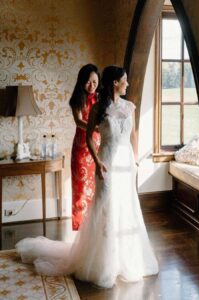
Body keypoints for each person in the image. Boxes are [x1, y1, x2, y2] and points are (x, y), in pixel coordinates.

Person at [15, 66, 159, 289]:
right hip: (107, 161)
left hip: (126, 164)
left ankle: (126, 258)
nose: (127, 84)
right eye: (125, 81)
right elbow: (90, 137)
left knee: (126, 207)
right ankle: (101, 262)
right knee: (103, 206)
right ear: (115, 83)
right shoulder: (98, 109)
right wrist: (98, 161)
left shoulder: (129, 107)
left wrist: (136, 159)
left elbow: (133, 135)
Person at [69, 64, 100, 230]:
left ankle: (94, 229)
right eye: (88, 82)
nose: (92, 86)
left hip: (99, 148)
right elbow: (78, 121)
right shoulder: (76, 99)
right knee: (81, 190)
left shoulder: (101, 98)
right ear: (81, 82)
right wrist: (95, 128)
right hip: (81, 149)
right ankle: (80, 229)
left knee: (97, 188)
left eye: (95, 82)